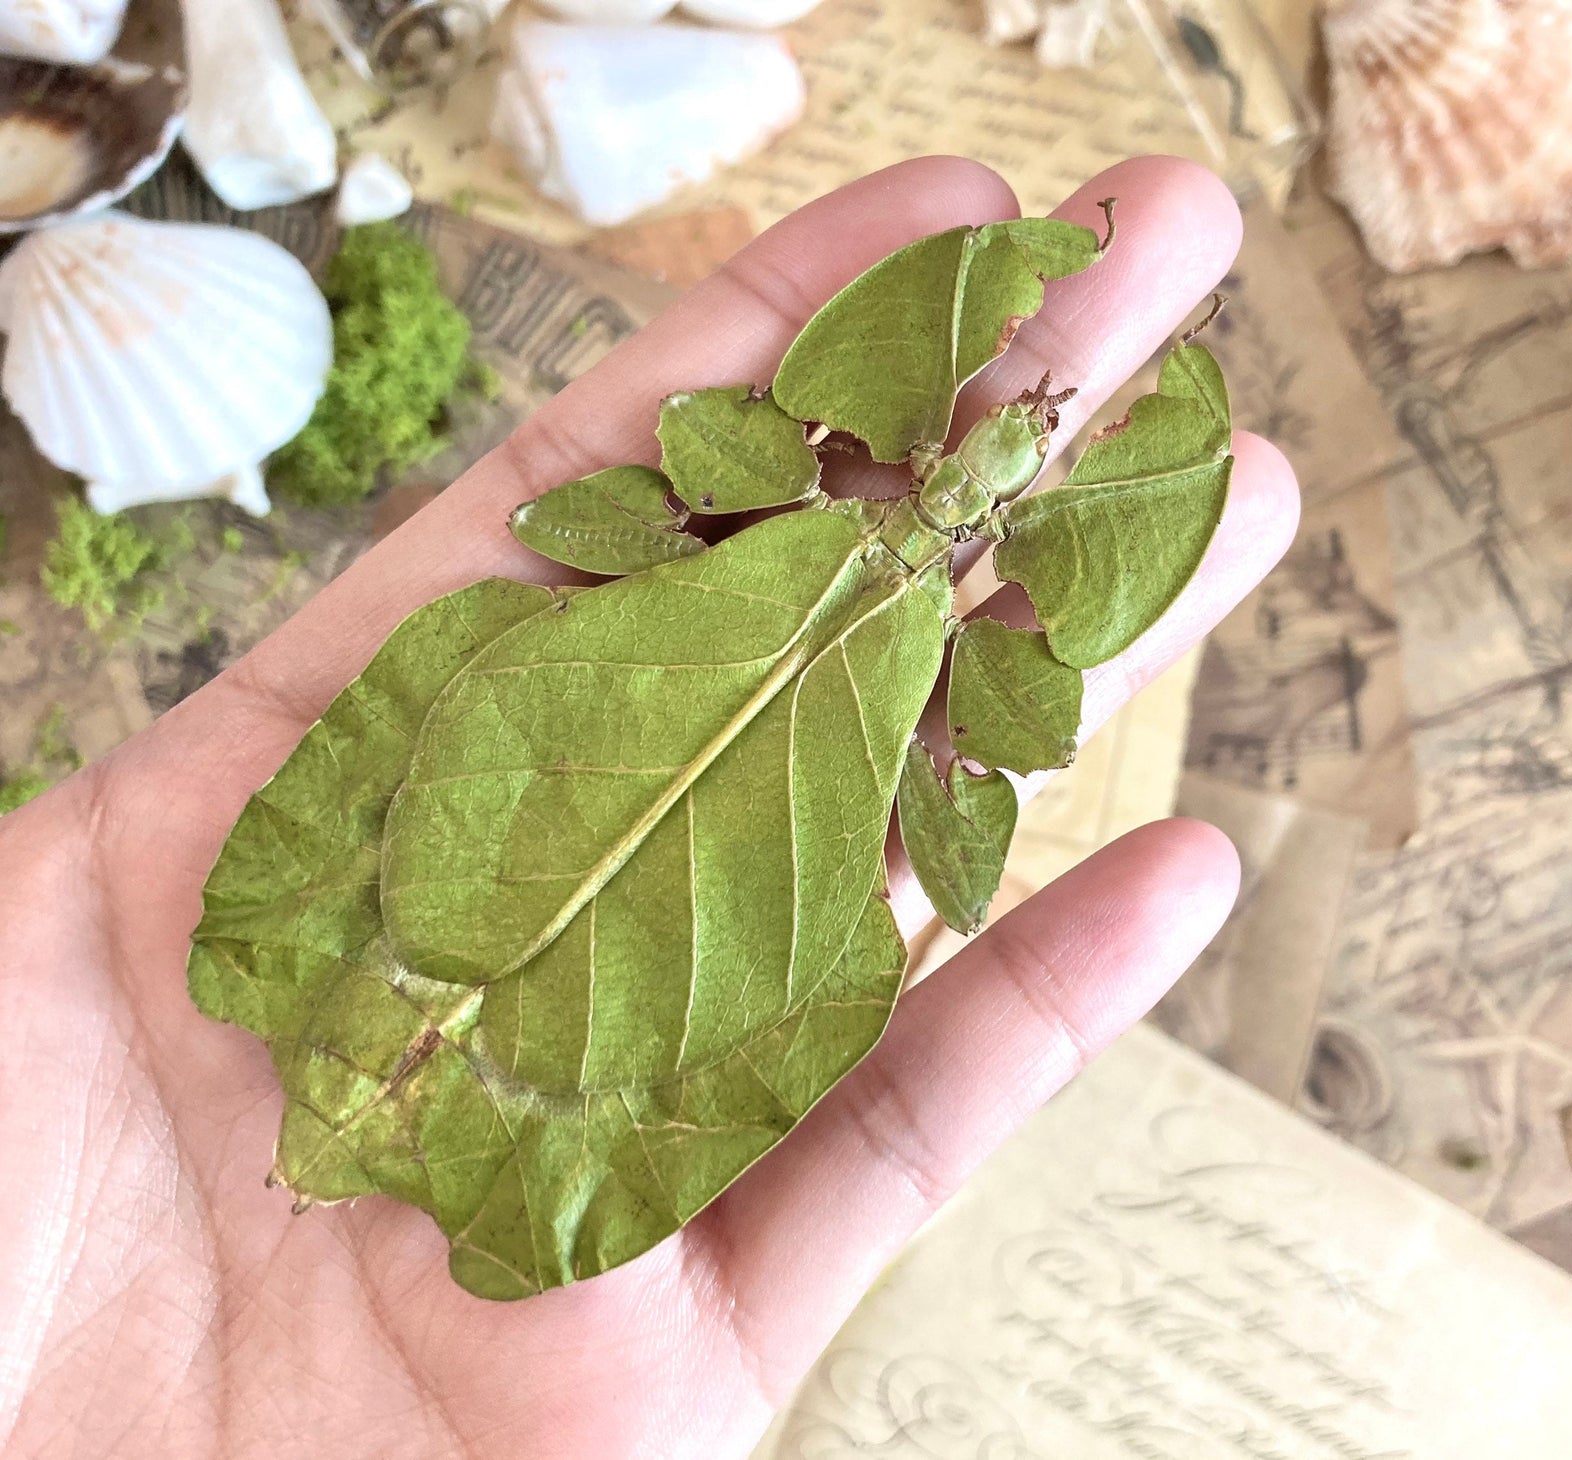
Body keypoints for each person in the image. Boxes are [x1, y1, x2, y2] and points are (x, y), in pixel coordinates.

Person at [0, 155, 1299, 1458]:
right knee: (825, 936)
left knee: (539, 671)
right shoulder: (952, 661)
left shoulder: (817, 511)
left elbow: (591, 521)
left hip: (430, 1014)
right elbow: (954, 829)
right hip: (441, 1047)